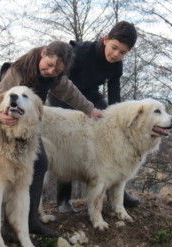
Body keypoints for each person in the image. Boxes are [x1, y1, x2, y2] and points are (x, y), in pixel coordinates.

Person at [0, 41, 103, 236]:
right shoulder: (18, 71)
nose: (50, 71)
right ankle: (6, 226)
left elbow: (72, 94)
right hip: (3, 127)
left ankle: (31, 220)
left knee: (40, 164)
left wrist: (91, 110)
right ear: (43, 53)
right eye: (48, 65)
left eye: (57, 70)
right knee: (8, 172)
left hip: (27, 129)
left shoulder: (55, 78)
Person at [47, 21, 140, 213]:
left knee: (113, 128)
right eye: (114, 47)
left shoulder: (117, 66)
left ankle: (118, 192)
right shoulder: (80, 53)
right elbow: (60, 82)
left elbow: (115, 100)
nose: (116, 54)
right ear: (106, 39)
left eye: (122, 52)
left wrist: (121, 122)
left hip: (90, 94)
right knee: (68, 143)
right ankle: (64, 200)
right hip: (63, 95)